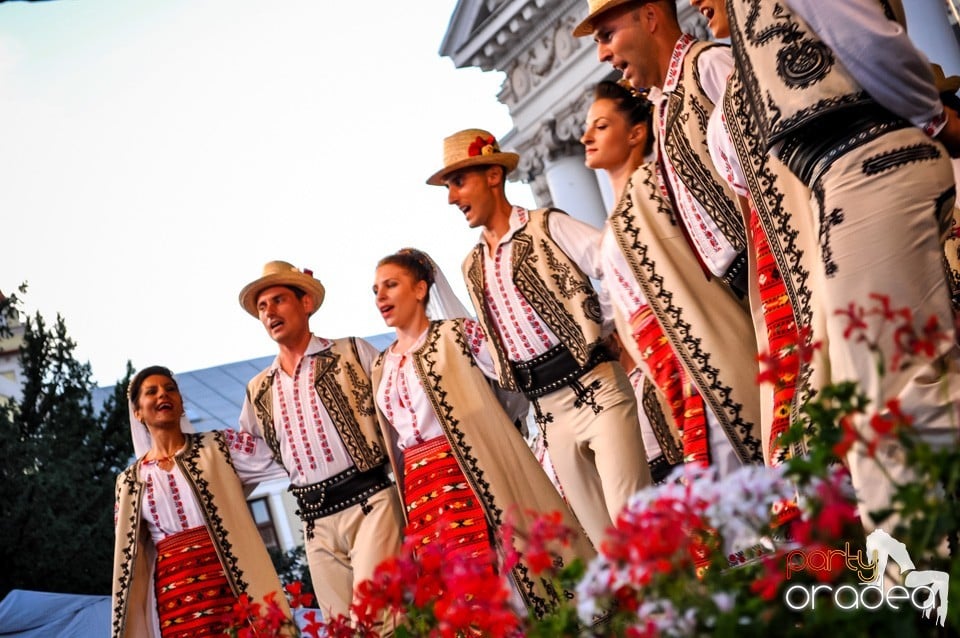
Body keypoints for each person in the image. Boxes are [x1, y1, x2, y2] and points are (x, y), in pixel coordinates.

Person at [724, 0, 960, 530]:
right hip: (845, 174)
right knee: (886, 401)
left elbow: (869, 39)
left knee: (894, 400)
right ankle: (918, 574)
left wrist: (936, 117)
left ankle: (916, 579)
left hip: (870, 158)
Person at [427, 127, 651, 547]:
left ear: (493, 175)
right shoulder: (472, 265)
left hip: (595, 387)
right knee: (603, 540)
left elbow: (613, 260)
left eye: (458, 182)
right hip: (546, 411)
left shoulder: (548, 225)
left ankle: (686, 605)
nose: (452, 197)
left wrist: (601, 322)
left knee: (631, 516)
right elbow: (498, 350)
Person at [575, 1, 766, 471]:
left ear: (650, 17)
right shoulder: (665, 109)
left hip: (760, 274)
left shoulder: (708, 66)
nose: (603, 53)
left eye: (608, 34)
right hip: (732, 298)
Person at [371, 248, 595, 616]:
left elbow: (509, 383)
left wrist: (489, 432)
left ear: (420, 289)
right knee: (450, 590)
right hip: (421, 489)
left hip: (468, 469)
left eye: (391, 285)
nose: (380, 297)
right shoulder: (382, 364)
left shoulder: (458, 335)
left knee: (497, 566)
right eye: (375, 289)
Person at [237, 261, 404, 623]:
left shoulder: (352, 353)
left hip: (370, 505)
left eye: (278, 300)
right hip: (314, 523)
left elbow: (401, 413)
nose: (269, 313)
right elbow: (244, 460)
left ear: (306, 302)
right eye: (262, 307)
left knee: (381, 621)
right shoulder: (259, 388)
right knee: (340, 627)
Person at [111, 366, 292, 638]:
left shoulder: (219, 447)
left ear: (181, 403)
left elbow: (278, 453)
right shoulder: (129, 483)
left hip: (230, 576)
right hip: (176, 594)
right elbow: (130, 554)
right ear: (137, 411)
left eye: (170, 389)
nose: (164, 394)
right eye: (152, 391)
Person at [581, 80, 683, 482]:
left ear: (636, 133)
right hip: (652, 354)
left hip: (679, 341)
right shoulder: (618, 214)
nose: (586, 136)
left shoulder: (653, 186)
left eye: (601, 126)